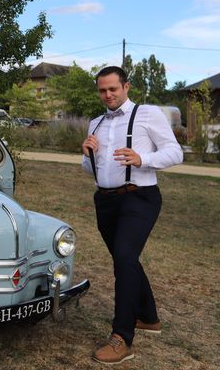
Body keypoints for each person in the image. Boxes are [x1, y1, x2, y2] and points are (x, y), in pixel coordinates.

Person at [81, 66, 182, 364]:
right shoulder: (95, 123)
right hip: (106, 200)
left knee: (124, 258)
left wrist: (143, 158)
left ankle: (122, 337)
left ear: (126, 86)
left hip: (139, 197)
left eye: (113, 88)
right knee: (125, 260)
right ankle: (149, 318)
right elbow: (90, 170)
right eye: (102, 90)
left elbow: (175, 153)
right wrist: (87, 155)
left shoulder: (148, 114)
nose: (107, 95)